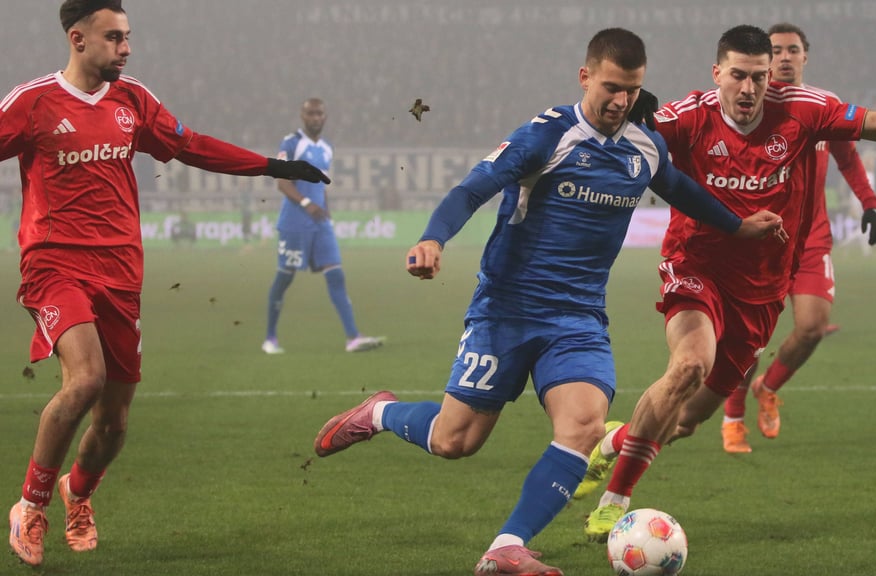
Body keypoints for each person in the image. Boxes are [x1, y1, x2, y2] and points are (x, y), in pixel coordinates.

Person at [312, 27, 785, 576]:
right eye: (611, 87)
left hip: (578, 316)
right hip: (507, 309)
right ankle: (378, 412)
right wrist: (432, 238)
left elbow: (682, 189)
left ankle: (507, 545)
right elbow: (473, 188)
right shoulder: (547, 135)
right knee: (455, 440)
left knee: (585, 426)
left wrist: (738, 226)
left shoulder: (644, 146)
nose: (621, 102)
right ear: (585, 77)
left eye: (632, 91)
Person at [2, 0, 329, 566]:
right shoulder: (32, 103)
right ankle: (30, 507)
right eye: (113, 38)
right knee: (85, 380)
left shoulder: (134, 100)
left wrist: (271, 166)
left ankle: (77, 492)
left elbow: (192, 145)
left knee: (114, 420)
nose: (126, 49)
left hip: (121, 273)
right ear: (77, 40)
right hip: (55, 266)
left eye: (128, 37)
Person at [577, 24, 876, 541]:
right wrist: (630, 117)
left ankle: (612, 446)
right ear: (717, 73)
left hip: (763, 288)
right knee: (689, 365)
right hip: (695, 265)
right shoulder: (691, 115)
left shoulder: (805, 109)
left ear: (771, 77)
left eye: (758, 78)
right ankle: (615, 500)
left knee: (684, 419)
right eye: (737, 76)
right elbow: (627, 136)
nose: (747, 89)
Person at [719, 22, 876, 454]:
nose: (785, 57)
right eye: (776, 51)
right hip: (762, 238)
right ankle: (733, 418)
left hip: (811, 238)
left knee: (811, 327)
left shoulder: (821, 107)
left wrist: (869, 203)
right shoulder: (751, 109)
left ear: (805, 57)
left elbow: (848, 157)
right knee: (750, 338)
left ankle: (768, 387)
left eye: (793, 50)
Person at [261, 98, 383, 355]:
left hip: (320, 222)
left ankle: (353, 337)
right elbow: (282, 182)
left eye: (319, 113)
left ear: (325, 117)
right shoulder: (291, 142)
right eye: (311, 113)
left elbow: (320, 183)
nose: (316, 118)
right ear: (302, 116)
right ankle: (270, 338)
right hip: (295, 223)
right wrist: (307, 203)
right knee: (284, 279)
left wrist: (325, 209)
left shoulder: (328, 147)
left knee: (336, 274)